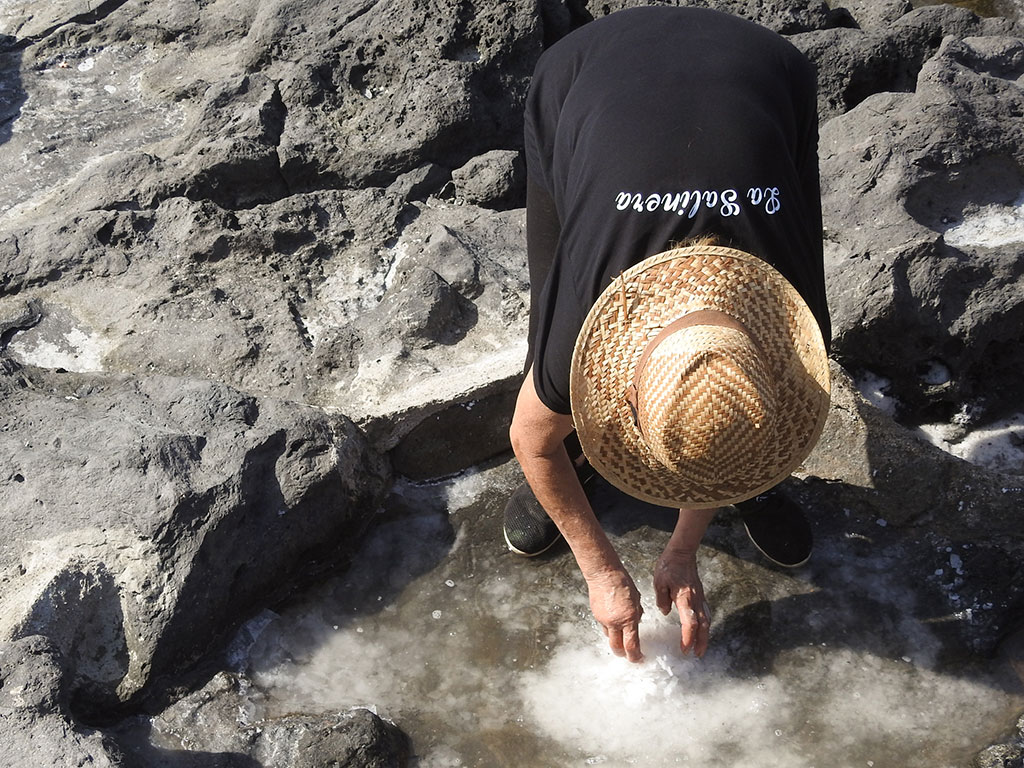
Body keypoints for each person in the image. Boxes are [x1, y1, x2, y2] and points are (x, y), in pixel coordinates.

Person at [504, 6, 832, 664]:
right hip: (581, 73)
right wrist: (601, 571)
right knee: (551, 313)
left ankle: (751, 470)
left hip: (766, 74)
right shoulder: (584, 334)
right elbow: (528, 438)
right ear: (617, 386)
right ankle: (584, 466)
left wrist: (684, 549)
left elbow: (711, 396)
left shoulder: (801, 329)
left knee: (726, 416)